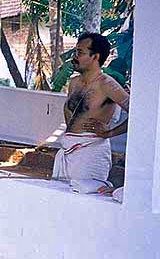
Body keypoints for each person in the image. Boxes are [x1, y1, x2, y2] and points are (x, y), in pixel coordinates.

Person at [53, 32, 130, 181]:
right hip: (68, 148)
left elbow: (138, 114)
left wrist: (109, 134)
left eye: (80, 53)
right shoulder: (74, 82)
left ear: (95, 57)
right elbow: (72, 116)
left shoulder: (108, 85)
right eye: (75, 51)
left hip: (91, 153)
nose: (74, 56)